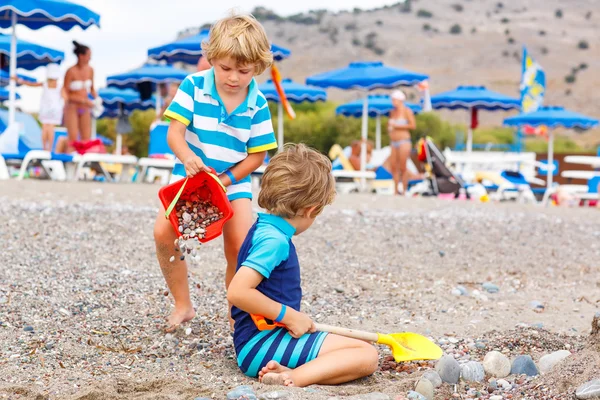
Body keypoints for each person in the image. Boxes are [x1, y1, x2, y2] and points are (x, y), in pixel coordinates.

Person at [154, 12, 277, 332]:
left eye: (243, 70)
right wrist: (188, 157)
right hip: (190, 175)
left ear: (258, 67)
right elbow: (174, 134)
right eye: (224, 68)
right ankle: (183, 304)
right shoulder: (194, 85)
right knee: (163, 234)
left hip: (233, 181)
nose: (233, 77)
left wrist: (224, 180)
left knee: (239, 245)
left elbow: (258, 155)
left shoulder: (258, 102)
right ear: (211, 59)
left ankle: (236, 312)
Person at [227, 143, 378, 387]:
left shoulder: (264, 229)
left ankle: (287, 370)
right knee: (367, 355)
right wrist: (289, 316)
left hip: (257, 342)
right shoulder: (274, 241)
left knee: (353, 346)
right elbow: (237, 291)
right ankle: (294, 377)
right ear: (310, 210)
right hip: (261, 344)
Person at [14, 63, 65, 151]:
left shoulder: (45, 84)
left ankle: (45, 148)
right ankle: (48, 149)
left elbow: (31, 84)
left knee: (45, 127)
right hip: (55, 109)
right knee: (50, 128)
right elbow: (65, 97)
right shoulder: (59, 87)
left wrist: (18, 80)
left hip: (46, 108)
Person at [60, 41, 97, 153]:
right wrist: (66, 101)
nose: (89, 58)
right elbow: (64, 90)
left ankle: (82, 165)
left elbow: (92, 89)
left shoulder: (90, 70)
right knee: (73, 138)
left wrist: (97, 100)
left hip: (85, 107)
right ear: (81, 56)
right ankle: (69, 161)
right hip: (72, 106)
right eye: (88, 56)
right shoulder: (71, 71)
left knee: (86, 138)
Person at [388, 89, 421, 195]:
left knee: (403, 166)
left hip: (404, 141)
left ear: (400, 100)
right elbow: (390, 125)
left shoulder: (407, 111)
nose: (393, 102)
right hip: (393, 141)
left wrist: (397, 126)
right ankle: (396, 189)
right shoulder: (392, 112)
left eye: (394, 100)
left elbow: (413, 125)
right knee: (393, 165)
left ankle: (405, 189)